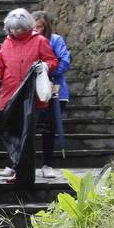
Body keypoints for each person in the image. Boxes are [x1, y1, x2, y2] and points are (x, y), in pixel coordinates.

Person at [0, 8, 57, 185]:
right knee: (11, 131)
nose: (15, 32)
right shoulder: (6, 43)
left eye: (18, 29)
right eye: (11, 29)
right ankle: (14, 165)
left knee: (26, 135)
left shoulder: (39, 41)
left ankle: (24, 172)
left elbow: (53, 61)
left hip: (31, 96)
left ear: (26, 27)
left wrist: (45, 67)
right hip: (9, 94)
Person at [32, 10, 71, 179]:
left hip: (55, 90)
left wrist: (48, 73)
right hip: (33, 92)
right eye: (34, 27)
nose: (37, 30)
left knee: (49, 129)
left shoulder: (55, 40)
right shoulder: (29, 42)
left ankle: (47, 163)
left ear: (46, 27)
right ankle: (19, 164)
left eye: (40, 27)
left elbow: (64, 60)